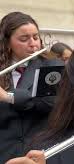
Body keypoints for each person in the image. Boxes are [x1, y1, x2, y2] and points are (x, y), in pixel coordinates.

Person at [0, 11, 63, 163]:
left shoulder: (52, 66)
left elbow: (50, 102)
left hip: (38, 152)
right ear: (7, 42)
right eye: (24, 39)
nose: (33, 43)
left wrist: (9, 97)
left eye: (35, 37)